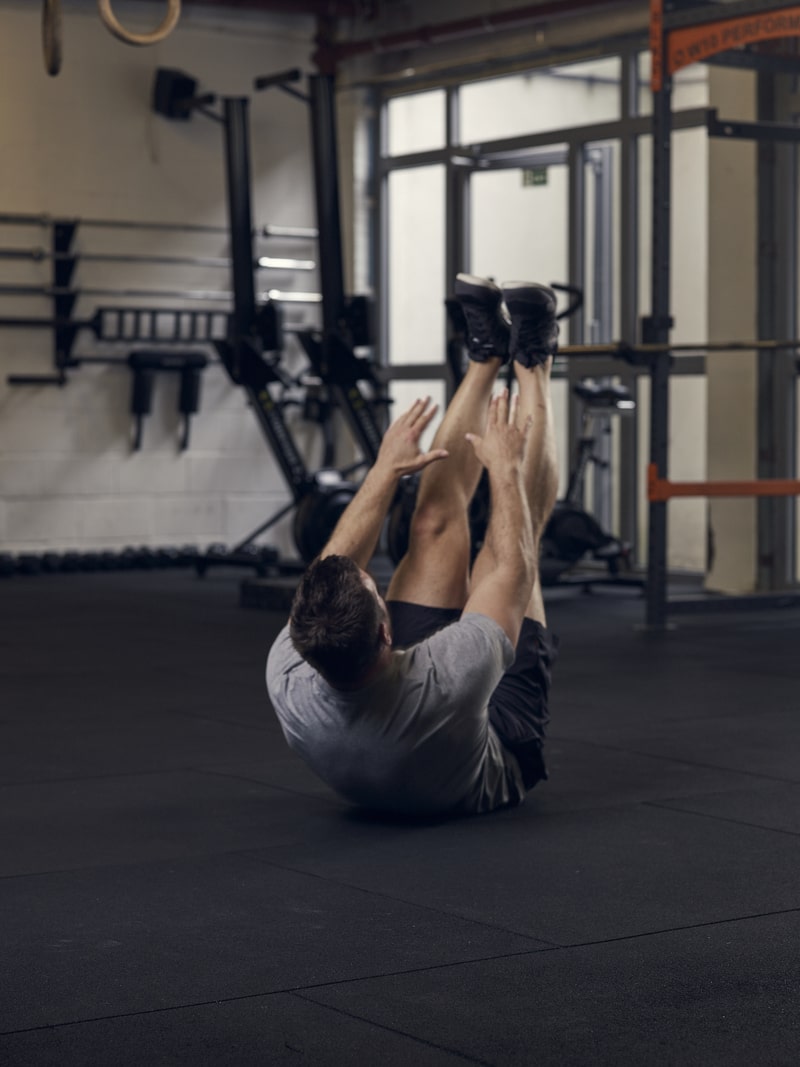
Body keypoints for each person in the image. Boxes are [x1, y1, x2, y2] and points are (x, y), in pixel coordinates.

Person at [266, 274, 560, 817]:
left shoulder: (290, 669)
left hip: (404, 727)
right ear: (386, 631)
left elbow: (332, 566)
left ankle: (486, 356)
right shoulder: (449, 676)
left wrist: (384, 470)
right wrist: (507, 472)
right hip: (497, 750)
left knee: (429, 526)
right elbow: (509, 571)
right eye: (375, 588)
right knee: (517, 545)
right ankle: (535, 362)